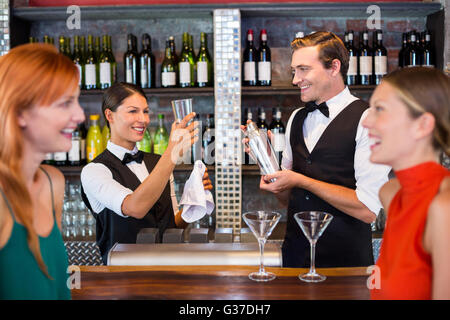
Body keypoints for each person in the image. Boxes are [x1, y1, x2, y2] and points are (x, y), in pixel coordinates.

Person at [246, 32, 391, 268]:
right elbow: (287, 199)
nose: (295, 79)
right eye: (294, 71)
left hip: (346, 266)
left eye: (304, 69)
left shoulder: (368, 119)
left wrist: (302, 180)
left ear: (334, 67)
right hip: (295, 259)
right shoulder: (296, 118)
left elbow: (368, 210)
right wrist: (268, 162)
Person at [81, 82, 212, 264]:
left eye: (145, 111)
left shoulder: (158, 162)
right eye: (133, 111)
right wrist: (172, 153)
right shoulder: (94, 171)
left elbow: (172, 225)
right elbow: (134, 208)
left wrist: (193, 202)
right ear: (109, 115)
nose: (143, 119)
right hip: (123, 277)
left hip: (167, 270)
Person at [0, 43, 85, 299]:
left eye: (77, 101)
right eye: (65, 104)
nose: (80, 115)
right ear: (20, 112)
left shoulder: (52, 183)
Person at [365, 67, 450, 300]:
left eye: (379, 109)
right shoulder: (391, 194)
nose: (366, 122)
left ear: (422, 125)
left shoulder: (444, 207)